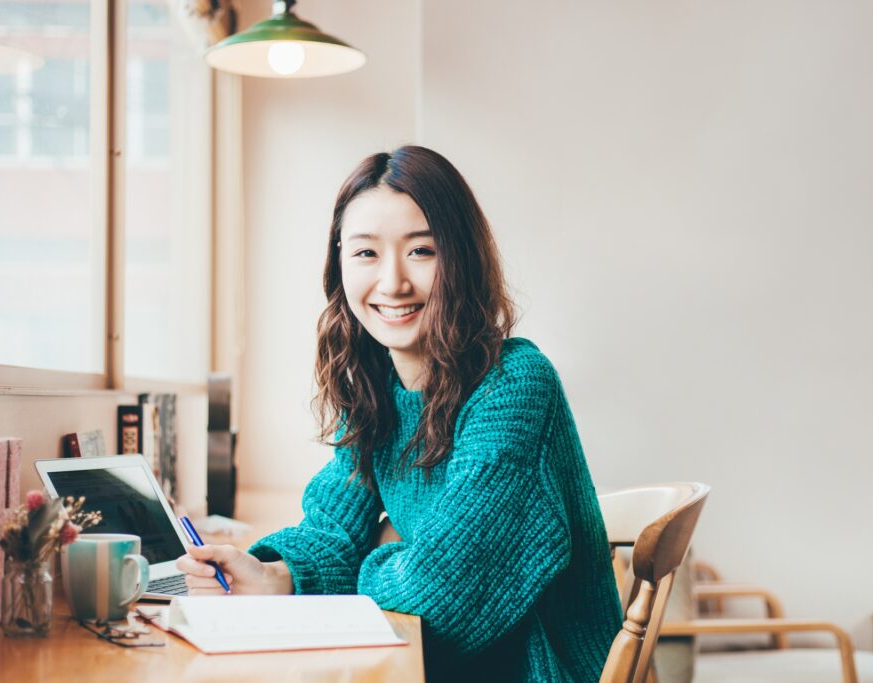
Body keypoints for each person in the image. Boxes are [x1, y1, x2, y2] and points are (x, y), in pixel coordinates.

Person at [176, 145, 622, 681]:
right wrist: (274, 574)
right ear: (339, 264)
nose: (392, 283)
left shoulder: (515, 383)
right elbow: (334, 529)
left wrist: (395, 549)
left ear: (463, 259)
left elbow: (441, 596)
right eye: (366, 253)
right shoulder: (376, 388)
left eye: (422, 251)